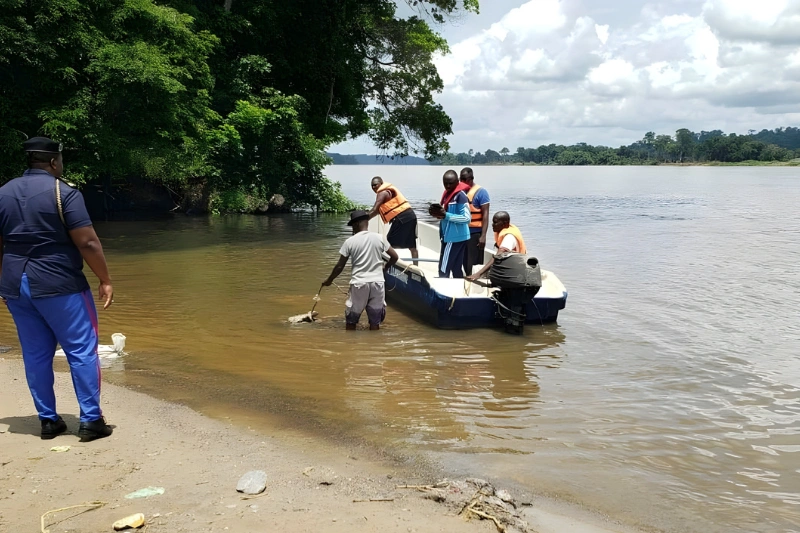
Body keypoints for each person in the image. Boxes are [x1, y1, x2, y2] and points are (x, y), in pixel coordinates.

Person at [0, 137, 114, 441]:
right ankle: (91, 420)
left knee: (35, 354)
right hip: (58, 282)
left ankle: (48, 421)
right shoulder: (64, 193)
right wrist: (104, 279)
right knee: (81, 349)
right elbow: (88, 242)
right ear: (53, 162)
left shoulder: (3, 193)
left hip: (15, 285)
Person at [322, 210, 398, 330]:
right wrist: (385, 268)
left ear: (356, 224)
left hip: (359, 284)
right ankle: (374, 344)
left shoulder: (350, 242)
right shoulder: (380, 238)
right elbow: (395, 257)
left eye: (352, 225)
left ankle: (351, 345)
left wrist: (329, 280)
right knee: (375, 322)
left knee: (351, 321)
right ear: (367, 222)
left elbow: (339, 266)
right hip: (377, 283)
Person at [428, 170, 471, 278]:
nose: (447, 186)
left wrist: (446, 215)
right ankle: (460, 290)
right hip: (453, 236)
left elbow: (467, 218)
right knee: (456, 268)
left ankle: (441, 292)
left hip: (454, 238)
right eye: (445, 183)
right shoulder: (448, 194)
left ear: (457, 182)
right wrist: (439, 214)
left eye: (450, 183)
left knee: (443, 268)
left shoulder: (460, 196)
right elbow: (445, 215)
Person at [466, 211, 527, 282]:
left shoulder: (509, 237)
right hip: (510, 265)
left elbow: (498, 256)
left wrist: (478, 274)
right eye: (493, 222)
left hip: (514, 270)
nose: (492, 225)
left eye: (495, 222)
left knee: (476, 269)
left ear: (505, 223)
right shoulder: (507, 229)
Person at [368, 177, 418, 262]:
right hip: (411, 216)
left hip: (402, 218)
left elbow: (375, 209)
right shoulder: (387, 191)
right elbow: (378, 211)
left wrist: (363, 219)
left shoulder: (382, 192)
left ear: (381, 183)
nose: (374, 187)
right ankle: (415, 266)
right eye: (372, 186)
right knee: (412, 246)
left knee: (388, 244)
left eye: (375, 185)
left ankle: (388, 264)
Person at [459, 167, 490, 276]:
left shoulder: (481, 192)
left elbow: (486, 215)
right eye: (461, 179)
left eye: (465, 179)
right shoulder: (459, 191)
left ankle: (474, 282)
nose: (462, 182)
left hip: (475, 233)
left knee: (474, 262)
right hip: (461, 232)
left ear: (471, 178)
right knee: (463, 261)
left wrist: (483, 235)